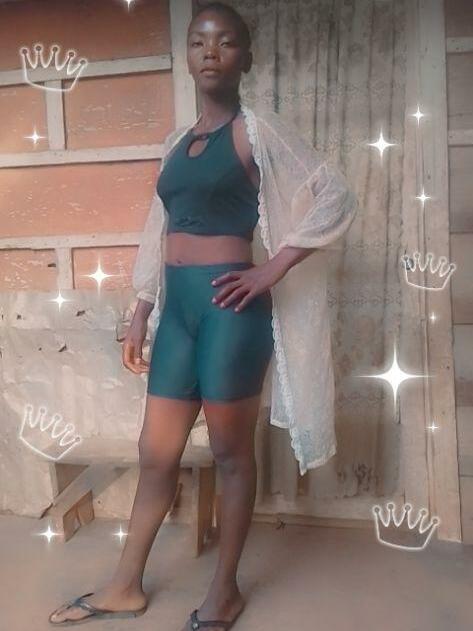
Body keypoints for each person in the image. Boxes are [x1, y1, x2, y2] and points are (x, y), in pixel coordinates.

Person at [48, 2, 358, 629]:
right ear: (188, 56)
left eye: (225, 42)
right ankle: (125, 586)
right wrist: (142, 308)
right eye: (198, 42)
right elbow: (157, 228)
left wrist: (271, 269)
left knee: (229, 452)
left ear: (246, 57)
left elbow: (335, 195)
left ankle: (225, 593)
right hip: (178, 311)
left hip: (229, 312)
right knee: (155, 451)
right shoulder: (175, 144)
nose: (211, 51)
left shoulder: (256, 132)